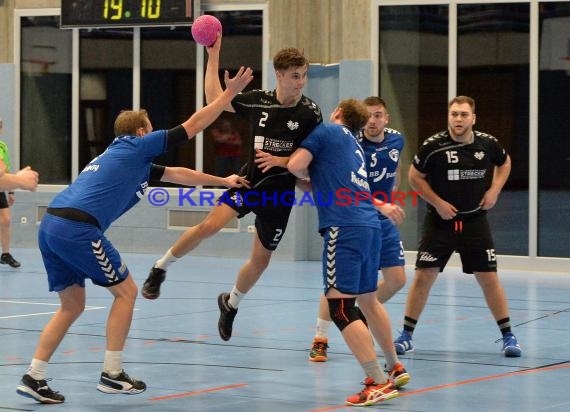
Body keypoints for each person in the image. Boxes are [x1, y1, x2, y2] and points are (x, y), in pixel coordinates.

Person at [15, 66, 254, 404]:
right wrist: (228, 96)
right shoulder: (136, 146)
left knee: (71, 305)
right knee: (126, 292)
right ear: (143, 131)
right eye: (152, 130)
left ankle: (34, 375)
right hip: (78, 228)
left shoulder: (123, 157)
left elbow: (175, 173)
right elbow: (195, 124)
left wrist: (223, 181)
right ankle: (112, 374)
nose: (156, 135)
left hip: (52, 226)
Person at [141, 35, 323, 343]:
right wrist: (214, 55)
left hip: (279, 194)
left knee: (261, 260)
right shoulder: (258, 100)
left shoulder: (310, 113)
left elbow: (312, 155)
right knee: (209, 225)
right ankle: (160, 268)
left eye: (304, 76)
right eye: (295, 76)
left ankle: (231, 303)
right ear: (279, 74)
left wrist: (283, 161)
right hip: (248, 182)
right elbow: (215, 97)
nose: (301, 82)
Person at [288, 98, 400, 407]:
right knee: (366, 300)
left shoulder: (326, 131)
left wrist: (284, 162)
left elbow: (295, 166)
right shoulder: (354, 147)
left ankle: (379, 381)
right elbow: (318, 185)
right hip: (369, 227)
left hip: (344, 226)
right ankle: (390, 369)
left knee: (339, 308)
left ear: (338, 112)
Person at [393, 95, 522, 358]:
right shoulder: (434, 146)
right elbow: (414, 177)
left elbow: (504, 162)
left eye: (463, 114)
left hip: (474, 220)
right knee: (423, 275)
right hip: (440, 222)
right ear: (448, 117)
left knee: (488, 278)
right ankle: (406, 335)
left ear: (473, 118)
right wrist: (438, 202)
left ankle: (508, 336)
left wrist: (495, 190)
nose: (458, 119)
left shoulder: (488, 144)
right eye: (454, 114)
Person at [0, 121, 21, 268]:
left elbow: (6, 170)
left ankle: (5, 254)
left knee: (6, 220)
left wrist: (11, 190)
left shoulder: (2, 147)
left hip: (1, 189)